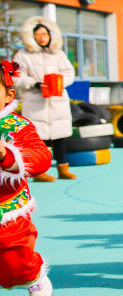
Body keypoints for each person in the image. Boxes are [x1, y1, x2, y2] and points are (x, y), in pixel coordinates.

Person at [0, 60, 54, 296]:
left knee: (14, 264)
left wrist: (6, 155)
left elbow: (41, 157)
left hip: (8, 210)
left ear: (9, 95)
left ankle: (33, 273)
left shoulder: (17, 126)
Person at [12, 16, 76, 182]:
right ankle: (39, 172)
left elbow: (69, 72)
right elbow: (16, 76)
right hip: (35, 102)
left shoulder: (58, 54)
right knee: (40, 139)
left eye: (45, 34)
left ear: (50, 35)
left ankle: (63, 168)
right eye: (38, 34)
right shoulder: (23, 55)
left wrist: (58, 82)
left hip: (57, 101)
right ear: (32, 36)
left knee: (60, 136)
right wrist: (34, 84)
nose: (42, 37)